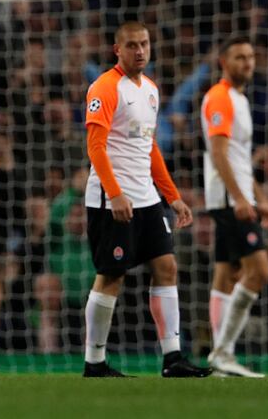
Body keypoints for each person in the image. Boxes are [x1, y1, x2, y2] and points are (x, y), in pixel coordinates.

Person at [82, 21, 211, 378]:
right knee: (112, 275)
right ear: (117, 49)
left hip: (146, 198)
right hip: (112, 200)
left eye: (144, 44)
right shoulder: (105, 88)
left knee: (167, 266)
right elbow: (95, 146)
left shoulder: (151, 90)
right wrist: (115, 192)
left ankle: (173, 358)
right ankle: (94, 361)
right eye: (132, 45)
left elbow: (149, 147)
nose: (140, 51)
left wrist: (173, 196)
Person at [201, 36, 268, 378]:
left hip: (235, 197)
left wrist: (261, 200)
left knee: (226, 274)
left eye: (250, 56)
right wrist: (241, 199)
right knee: (259, 271)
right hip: (228, 200)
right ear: (223, 62)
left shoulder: (239, 100)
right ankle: (223, 352)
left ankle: (220, 357)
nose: (247, 63)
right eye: (239, 57)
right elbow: (218, 153)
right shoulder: (219, 97)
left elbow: (240, 159)